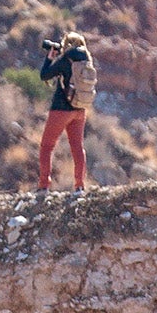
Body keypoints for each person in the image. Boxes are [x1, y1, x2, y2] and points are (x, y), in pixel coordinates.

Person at [36, 31, 96, 192]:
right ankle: (79, 186)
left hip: (60, 110)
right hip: (80, 109)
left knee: (46, 146)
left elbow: (44, 75)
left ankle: (43, 185)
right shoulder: (87, 61)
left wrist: (50, 58)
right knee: (77, 147)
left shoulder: (66, 59)